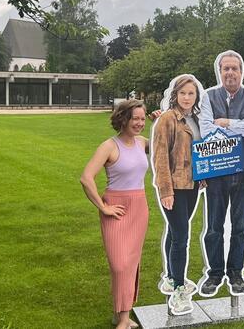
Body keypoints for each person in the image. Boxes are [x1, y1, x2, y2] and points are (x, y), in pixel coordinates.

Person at [198, 50, 244, 297]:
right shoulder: (208, 96)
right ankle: (214, 273)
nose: (230, 73)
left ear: (241, 71)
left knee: (240, 225)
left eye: (234, 68)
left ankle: (236, 271)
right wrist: (239, 128)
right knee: (214, 225)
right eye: (225, 68)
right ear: (220, 71)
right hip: (216, 169)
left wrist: (225, 123)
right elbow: (205, 130)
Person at [80, 100, 149, 329]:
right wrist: (103, 207)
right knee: (119, 264)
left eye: (142, 118)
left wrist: (158, 120)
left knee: (130, 264)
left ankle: (122, 317)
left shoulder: (142, 143)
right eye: (135, 118)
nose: (139, 123)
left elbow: (167, 142)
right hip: (116, 210)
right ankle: (121, 315)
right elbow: (86, 178)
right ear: (123, 119)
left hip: (139, 207)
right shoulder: (109, 146)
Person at [150, 74, 205, 315]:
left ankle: (171, 277)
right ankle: (180, 289)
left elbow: (199, 150)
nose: (186, 97)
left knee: (175, 232)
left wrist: (203, 175)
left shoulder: (196, 119)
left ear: (196, 96)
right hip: (174, 187)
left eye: (191, 93)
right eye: (182, 93)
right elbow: (160, 157)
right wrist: (165, 191)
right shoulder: (166, 120)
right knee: (182, 236)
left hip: (192, 186)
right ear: (175, 94)